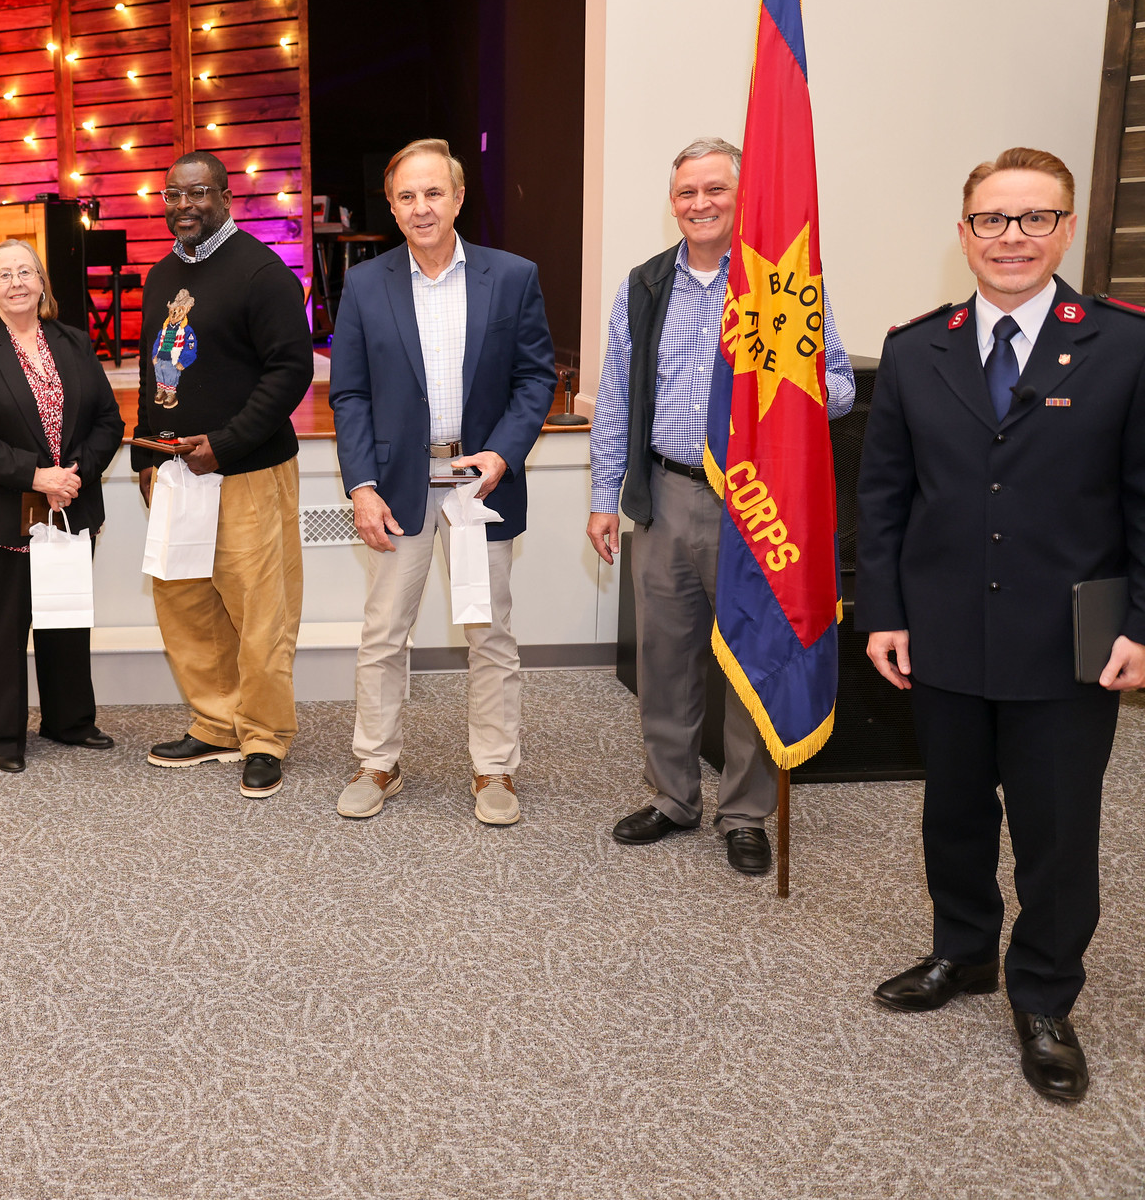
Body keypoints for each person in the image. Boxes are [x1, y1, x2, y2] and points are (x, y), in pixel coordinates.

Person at [857, 147, 1145, 1105]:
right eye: (992, 219)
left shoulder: (1125, 345)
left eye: (1034, 218)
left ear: (1066, 228)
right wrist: (884, 612)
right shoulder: (916, 349)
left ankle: (1046, 995)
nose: (1011, 237)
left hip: (1069, 638)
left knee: (1056, 827)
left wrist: (1142, 624)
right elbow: (884, 499)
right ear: (964, 231)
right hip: (942, 627)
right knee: (954, 810)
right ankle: (964, 950)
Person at [587, 137, 854, 875]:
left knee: (750, 660)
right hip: (667, 496)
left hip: (754, 507)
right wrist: (604, 496)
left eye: (716, 190)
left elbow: (839, 384)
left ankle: (744, 813)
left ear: (745, 196)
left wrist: (792, 386)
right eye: (687, 192)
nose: (700, 204)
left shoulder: (782, 282)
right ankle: (673, 797)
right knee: (665, 659)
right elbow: (617, 397)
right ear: (672, 202)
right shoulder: (644, 286)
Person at [329, 139, 556, 823]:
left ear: (458, 198)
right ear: (392, 207)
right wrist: (361, 486)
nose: (421, 207)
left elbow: (535, 378)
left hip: (477, 487)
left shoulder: (511, 277)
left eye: (433, 193)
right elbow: (350, 394)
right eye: (407, 196)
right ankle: (378, 761)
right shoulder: (366, 285)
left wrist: (503, 454)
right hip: (397, 487)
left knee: (490, 633)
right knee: (383, 633)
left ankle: (494, 769)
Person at [133, 151, 314, 799]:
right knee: (187, 604)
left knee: (260, 612)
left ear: (226, 196)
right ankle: (217, 723)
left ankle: (264, 735)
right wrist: (145, 456)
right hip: (176, 470)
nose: (184, 206)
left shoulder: (262, 273)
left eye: (198, 193)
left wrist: (228, 443)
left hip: (247, 471)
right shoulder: (161, 275)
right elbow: (155, 370)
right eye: (173, 195)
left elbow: (291, 371)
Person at [0, 239, 124, 772]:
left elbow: (108, 421)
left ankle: (70, 721)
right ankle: (2, 736)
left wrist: (71, 477)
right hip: (1, 512)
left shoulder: (75, 342)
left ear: (42, 283)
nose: (16, 282)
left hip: (69, 504)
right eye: (4, 275)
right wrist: (35, 476)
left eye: (26, 271)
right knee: (4, 626)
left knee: (65, 616)